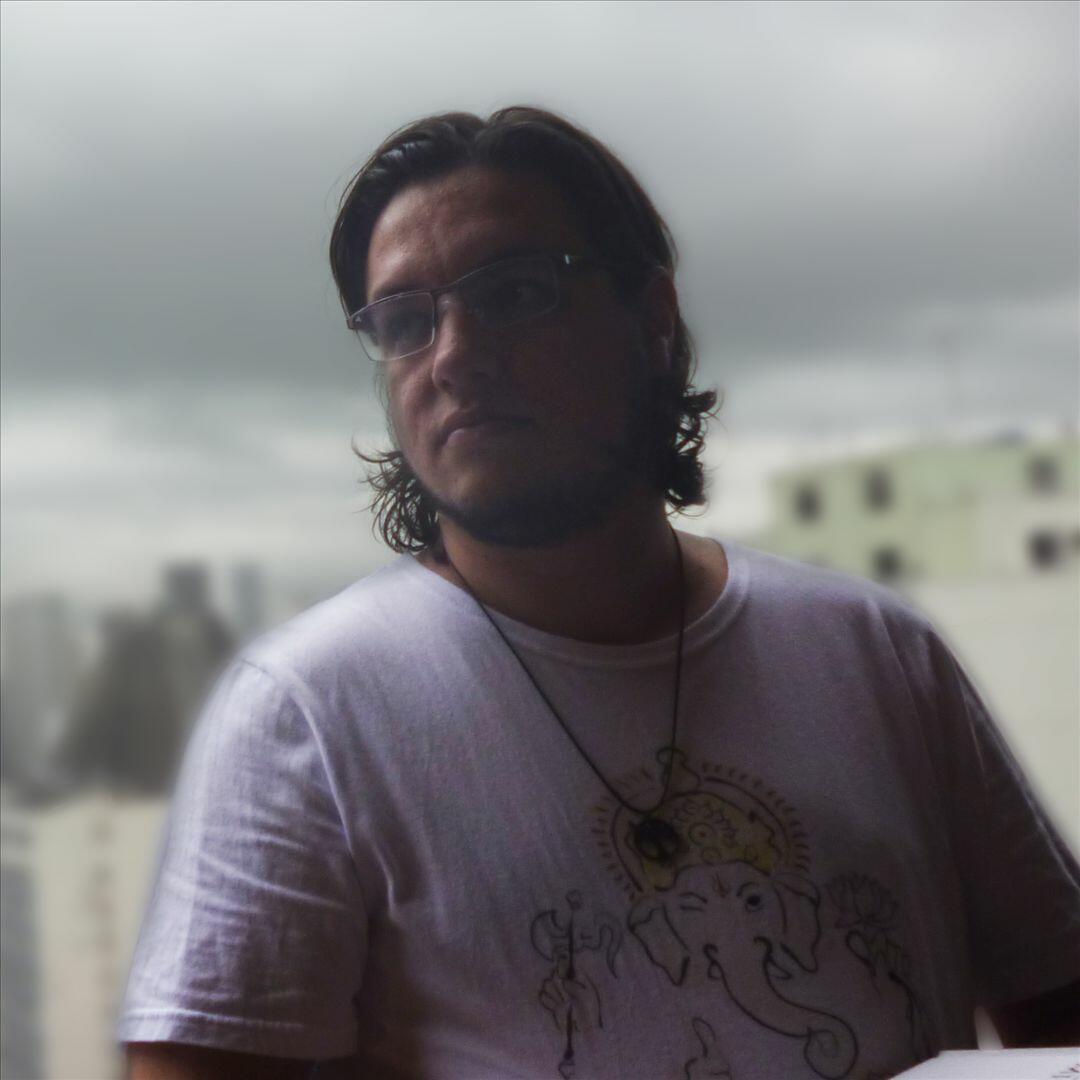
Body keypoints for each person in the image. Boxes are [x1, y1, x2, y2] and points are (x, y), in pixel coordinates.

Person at [121, 107, 1079, 1080]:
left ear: (653, 317)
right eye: (406, 321)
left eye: (516, 293)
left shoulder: (877, 654)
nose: (453, 356)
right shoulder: (306, 716)